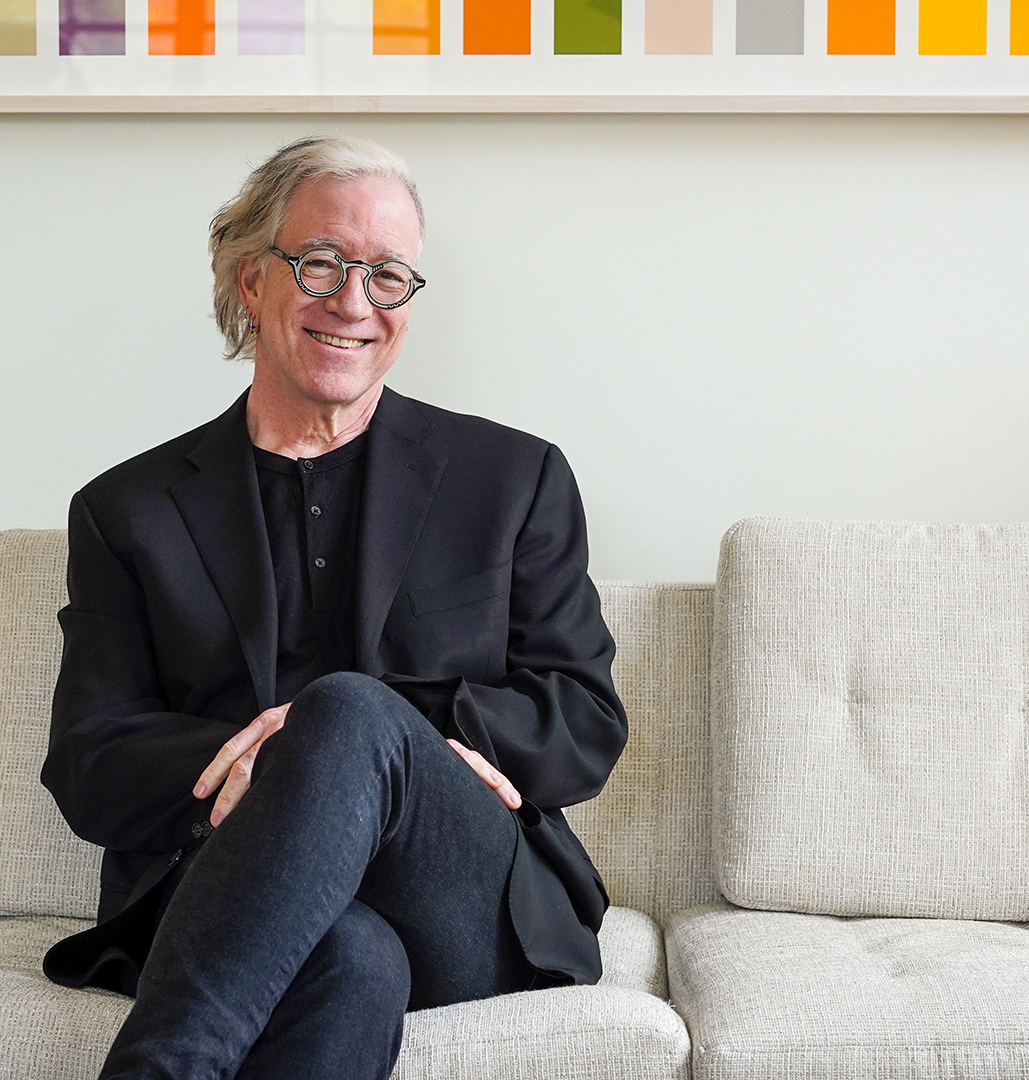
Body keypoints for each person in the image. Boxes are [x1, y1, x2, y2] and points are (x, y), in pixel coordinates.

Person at [40, 135, 627, 1080]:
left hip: (460, 894)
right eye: (320, 264)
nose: (354, 303)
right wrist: (268, 759)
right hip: (233, 895)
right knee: (350, 958)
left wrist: (381, 738)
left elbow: (584, 719)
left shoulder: (512, 479)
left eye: (388, 276)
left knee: (349, 709)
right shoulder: (127, 510)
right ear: (250, 284)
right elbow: (88, 761)